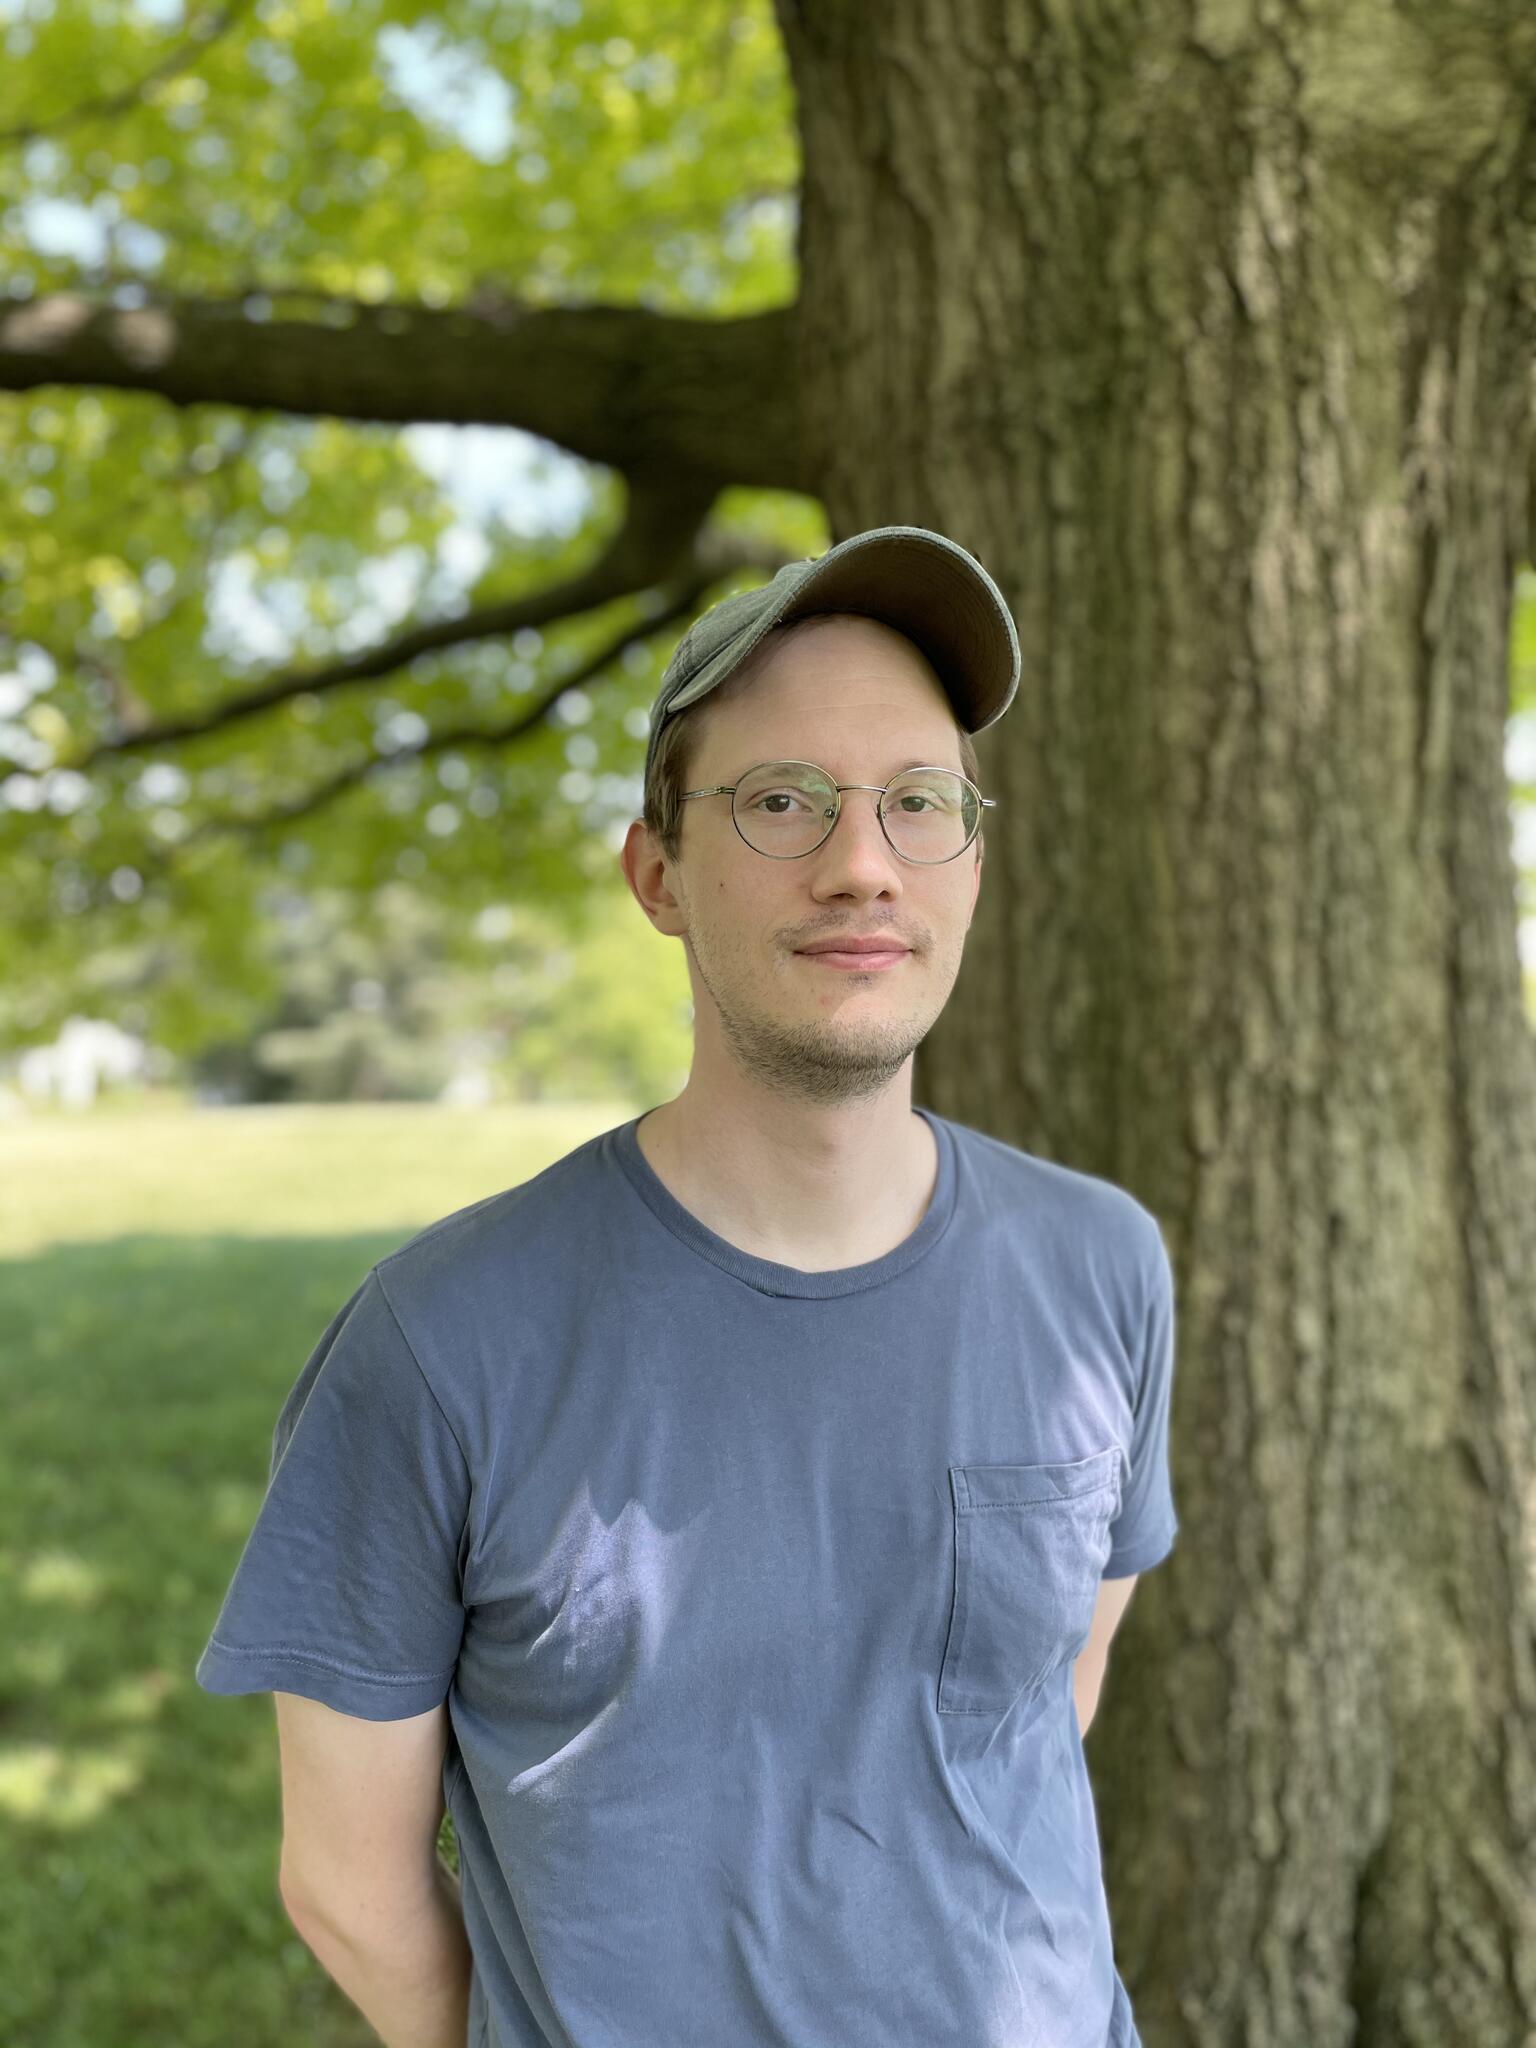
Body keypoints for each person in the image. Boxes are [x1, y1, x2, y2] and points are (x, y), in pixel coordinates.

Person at [196, 524, 1179, 2048]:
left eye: (918, 803)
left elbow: (1052, 1699)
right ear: (657, 875)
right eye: (781, 801)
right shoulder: (440, 1346)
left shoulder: (1101, 1266)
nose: (863, 864)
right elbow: (346, 1883)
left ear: (973, 863)